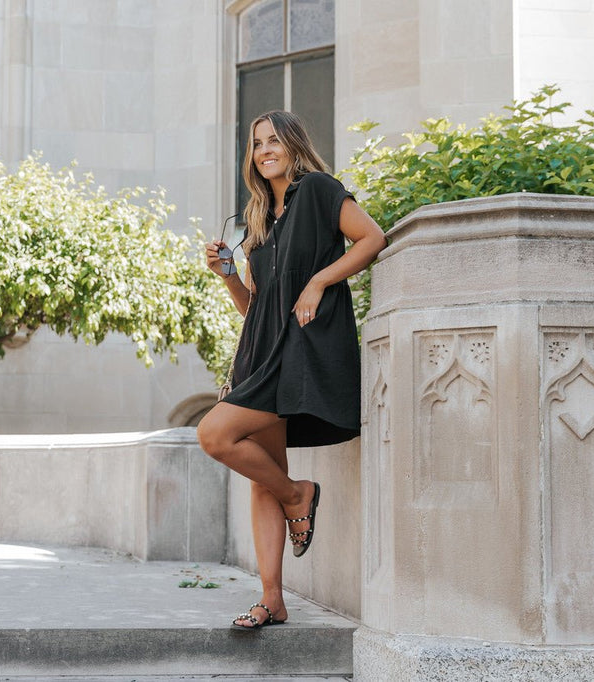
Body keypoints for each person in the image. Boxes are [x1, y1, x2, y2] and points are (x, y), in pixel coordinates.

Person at [197, 110, 386, 629]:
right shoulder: (259, 218)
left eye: (273, 140)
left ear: (293, 144)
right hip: (261, 353)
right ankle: (272, 597)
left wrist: (319, 281)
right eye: (257, 144)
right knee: (263, 473)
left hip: (301, 350)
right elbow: (252, 308)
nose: (264, 150)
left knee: (213, 435)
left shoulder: (321, 190)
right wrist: (229, 275)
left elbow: (372, 238)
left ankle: (298, 494)